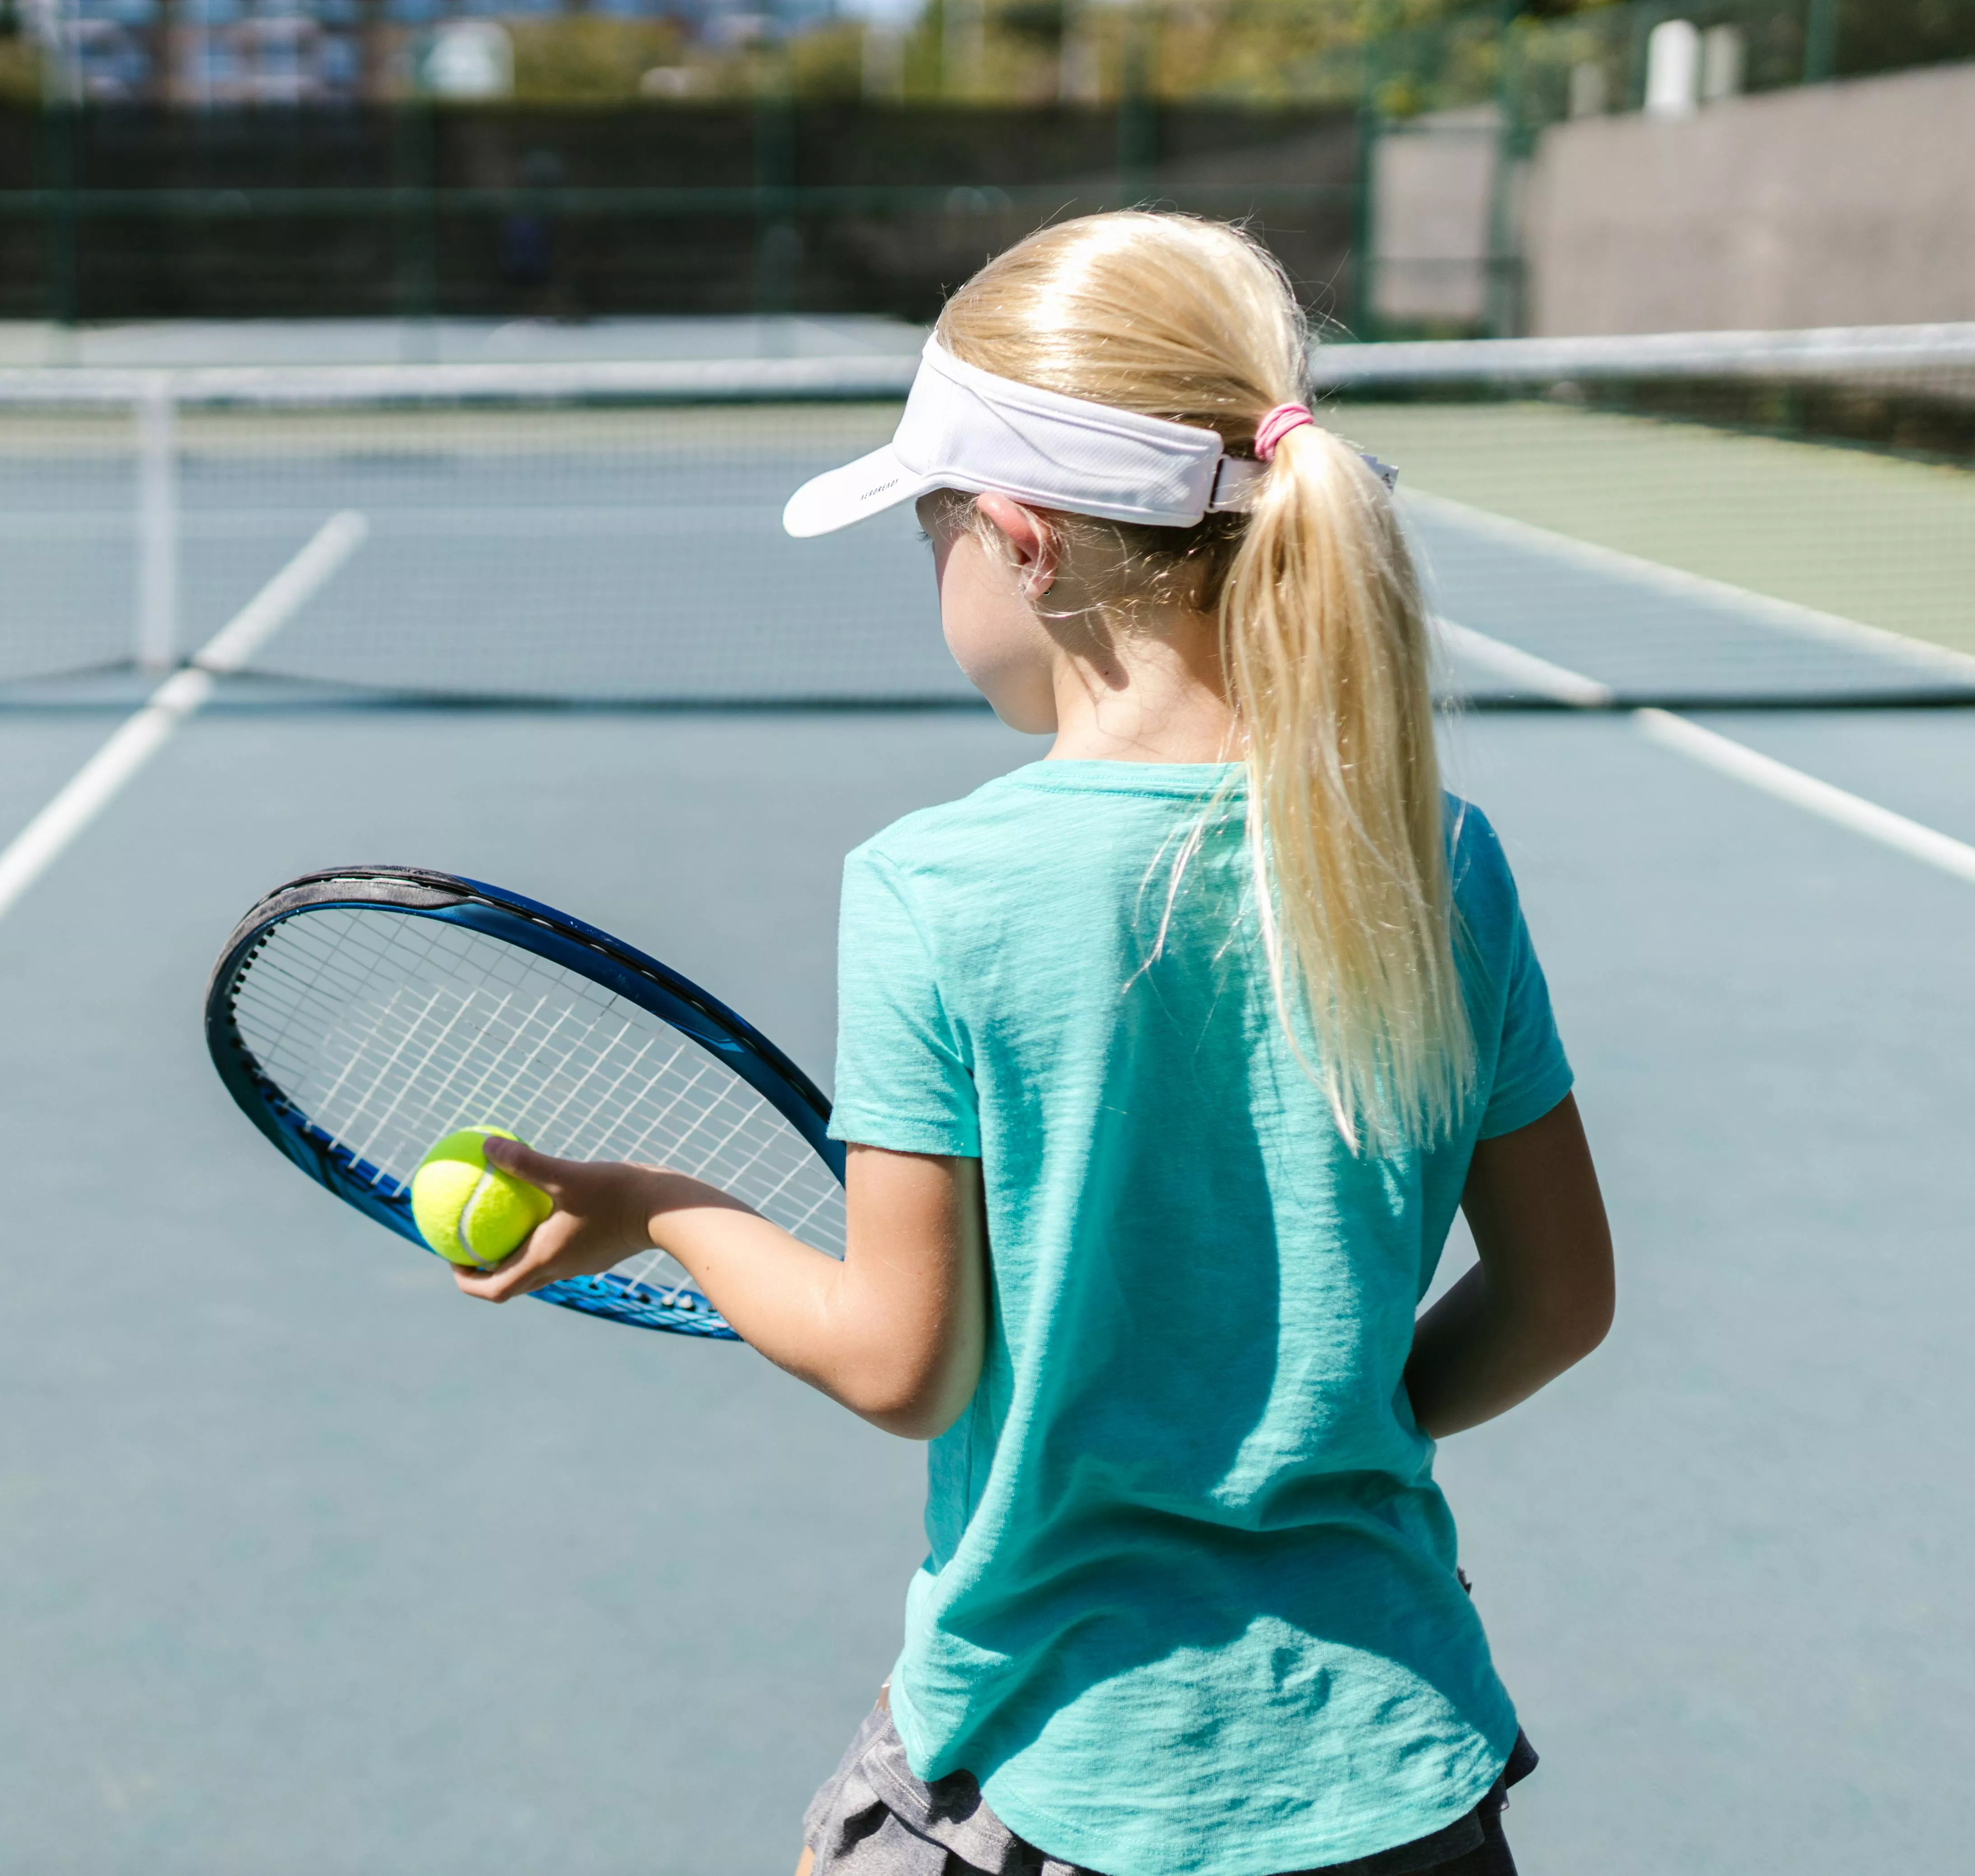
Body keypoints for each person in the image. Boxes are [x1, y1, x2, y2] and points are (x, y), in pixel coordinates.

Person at [452, 211, 1616, 1876]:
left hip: (1066, 1770)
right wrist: (1327, 1429)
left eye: (929, 524)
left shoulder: (936, 892)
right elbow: (1563, 1300)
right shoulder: (1439, 855)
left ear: (1024, 542)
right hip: (1401, 1766)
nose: (929, 563)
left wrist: (659, 1207)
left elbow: (902, 1362)